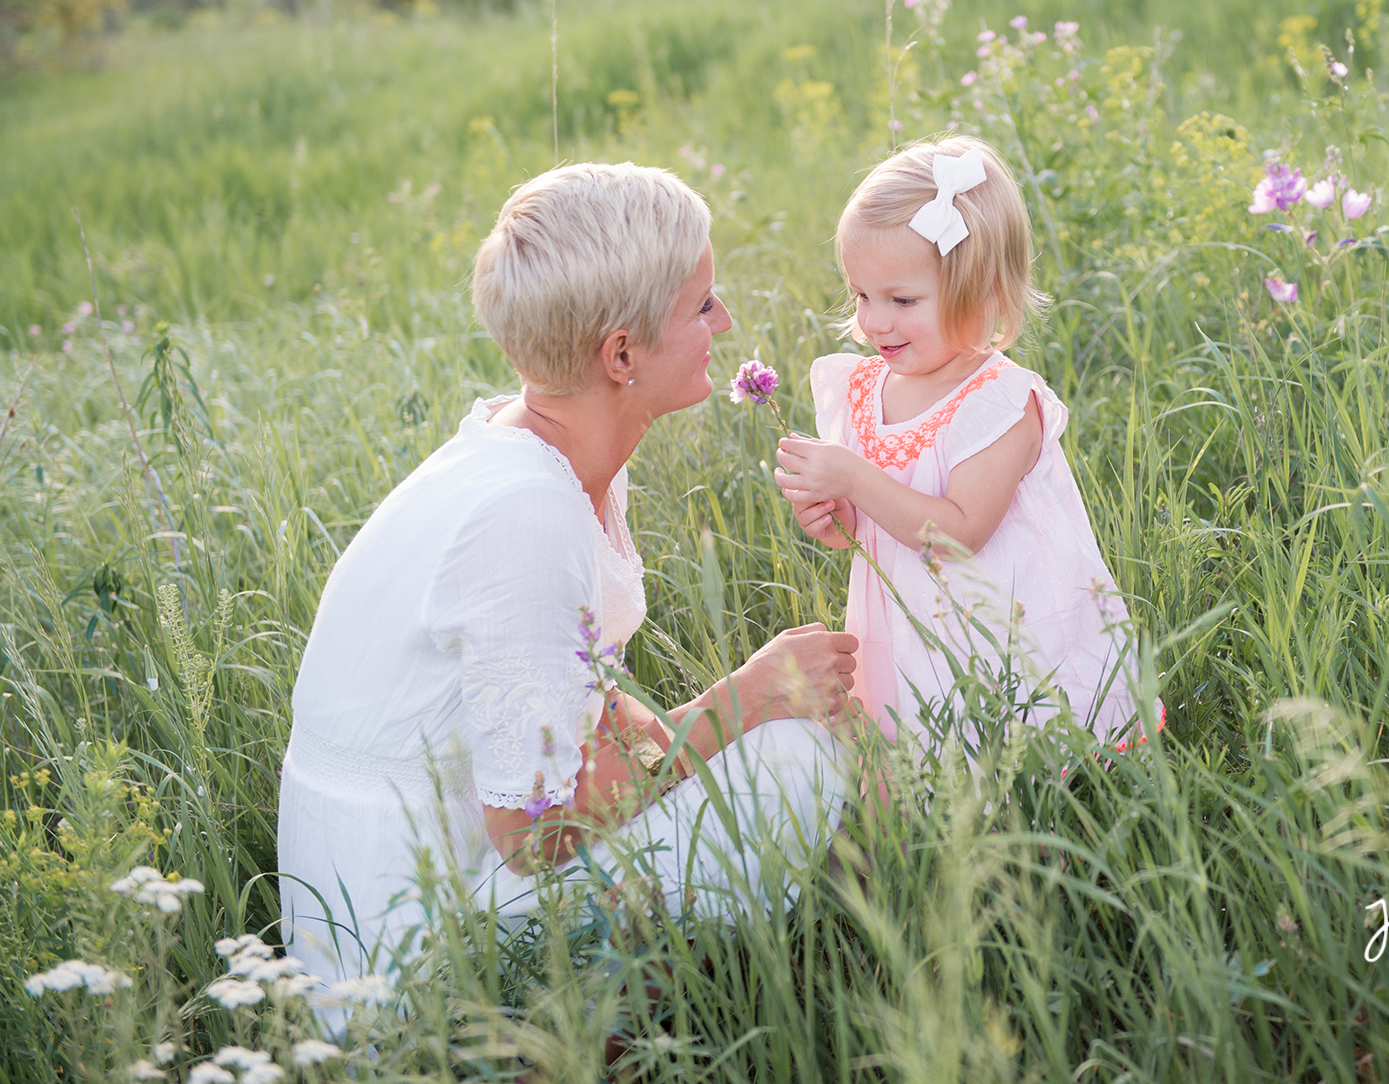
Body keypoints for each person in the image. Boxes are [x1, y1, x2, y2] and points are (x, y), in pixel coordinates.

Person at [277, 162, 857, 1005]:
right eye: (701, 304)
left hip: (442, 874)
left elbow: (583, 698)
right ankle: (614, 1036)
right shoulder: (526, 512)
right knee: (792, 760)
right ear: (621, 353)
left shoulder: (544, 455)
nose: (723, 320)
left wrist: (687, 735)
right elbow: (536, 831)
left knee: (762, 755)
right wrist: (741, 700)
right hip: (409, 965)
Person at [772, 136, 1159, 746]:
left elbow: (957, 534)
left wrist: (853, 477)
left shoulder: (998, 405)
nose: (874, 320)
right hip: (907, 629)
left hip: (1004, 628)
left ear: (983, 295)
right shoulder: (864, 388)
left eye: (902, 300)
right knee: (925, 748)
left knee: (1008, 751)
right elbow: (869, 529)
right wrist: (832, 514)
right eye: (861, 295)